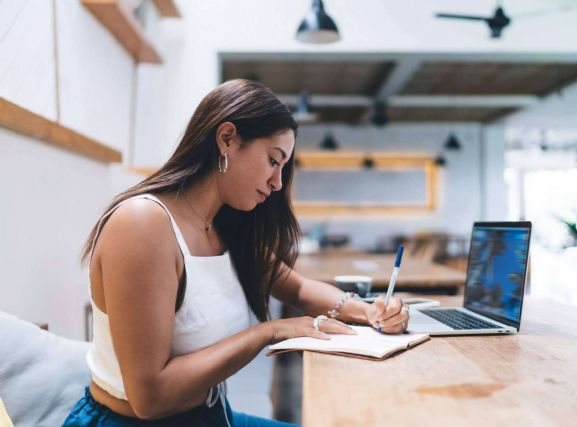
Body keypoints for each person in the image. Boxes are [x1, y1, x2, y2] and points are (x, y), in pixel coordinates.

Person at [62, 79, 409, 426]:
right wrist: (268, 332)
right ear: (227, 138)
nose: (277, 183)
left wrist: (370, 313)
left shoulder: (223, 225)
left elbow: (298, 288)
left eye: (283, 168)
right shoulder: (143, 224)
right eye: (273, 161)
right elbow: (149, 399)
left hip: (212, 415)